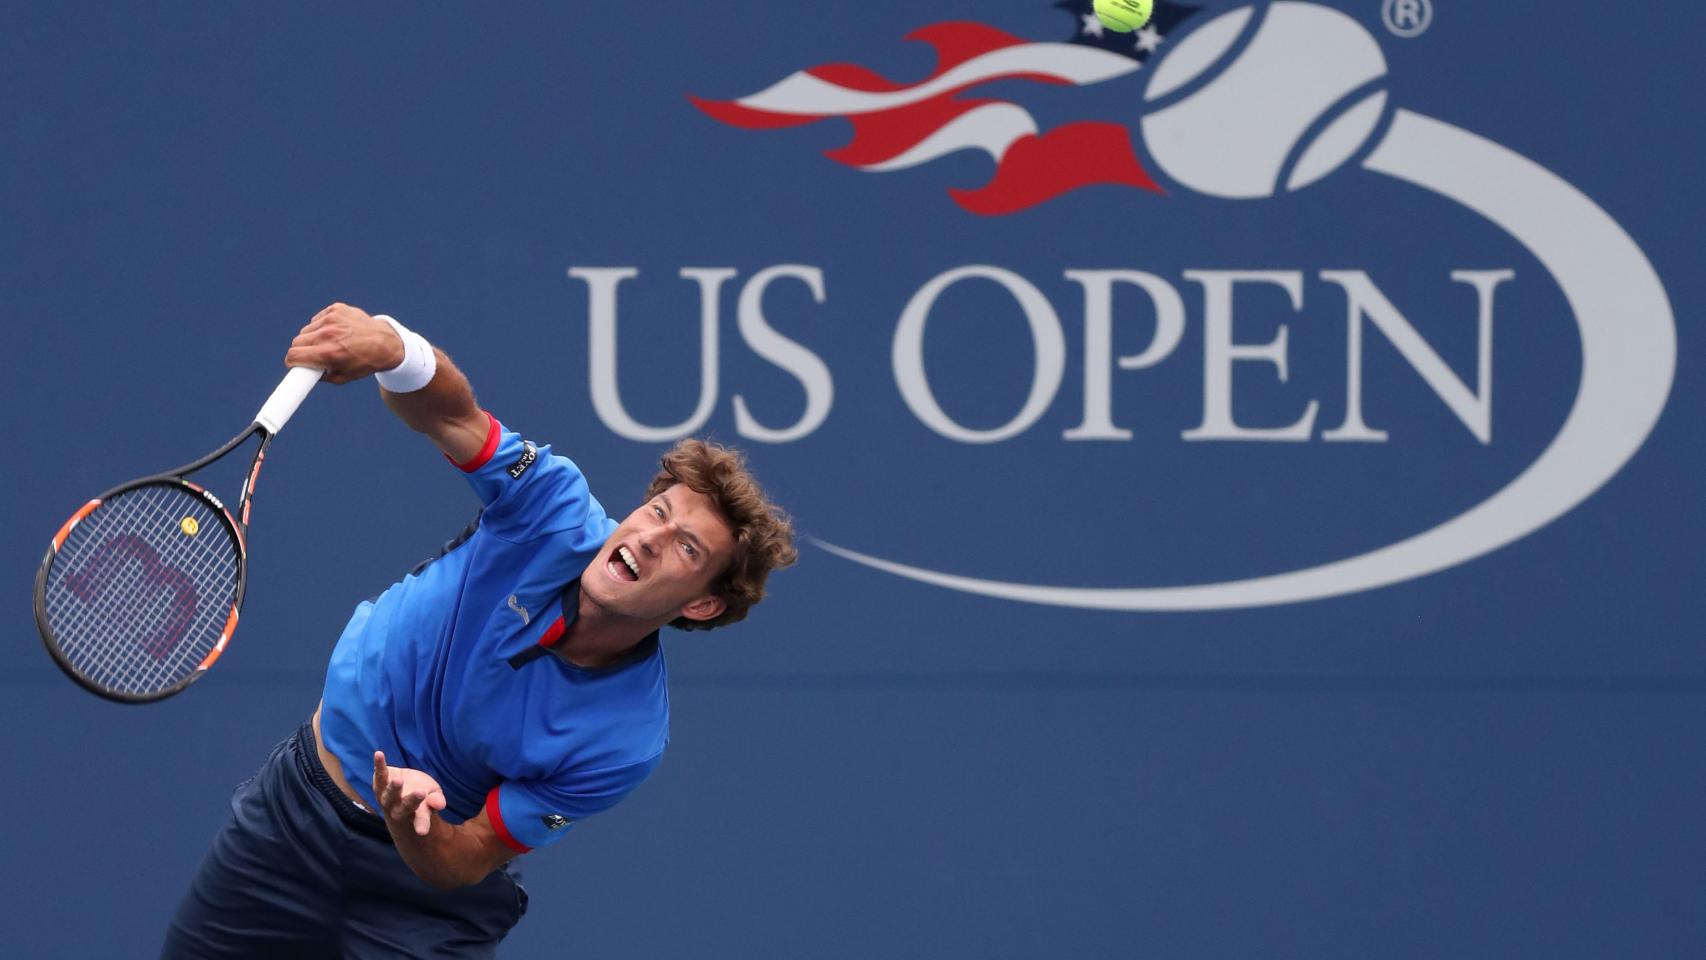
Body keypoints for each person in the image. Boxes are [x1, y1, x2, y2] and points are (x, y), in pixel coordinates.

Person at [161, 303, 797, 958]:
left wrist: (416, 825)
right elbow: (451, 414)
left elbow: (465, 859)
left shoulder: (626, 738)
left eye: (688, 549)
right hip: (291, 820)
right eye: (658, 511)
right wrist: (394, 348)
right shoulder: (551, 509)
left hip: (423, 906)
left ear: (700, 606)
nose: (651, 537)